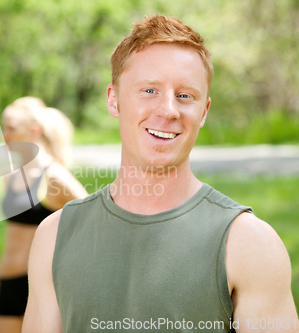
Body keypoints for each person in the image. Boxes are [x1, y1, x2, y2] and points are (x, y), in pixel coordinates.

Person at [23, 15, 299, 333]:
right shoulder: (54, 237)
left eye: (185, 96)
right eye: (150, 90)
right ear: (113, 99)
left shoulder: (250, 244)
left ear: (204, 110)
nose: (168, 110)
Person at [0, 97, 88, 333]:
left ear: (35, 130)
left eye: (12, 128)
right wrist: (0, 273)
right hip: (9, 282)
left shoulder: (54, 176)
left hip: (38, 284)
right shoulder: (10, 175)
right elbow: (14, 233)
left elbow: (92, 219)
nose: (5, 134)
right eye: (4, 127)